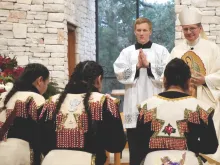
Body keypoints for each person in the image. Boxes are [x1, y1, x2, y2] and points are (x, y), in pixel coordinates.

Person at [39, 61, 126, 165]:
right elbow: (116, 145)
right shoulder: (103, 102)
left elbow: (40, 141)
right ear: (98, 79)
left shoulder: (51, 102)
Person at [137, 58, 218, 165]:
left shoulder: (145, 107)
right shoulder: (201, 109)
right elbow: (211, 147)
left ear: (164, 80)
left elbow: (139, 144)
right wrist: (191, 146)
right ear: (188, 81)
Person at [113, 17, 170, 165]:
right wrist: (137, 67)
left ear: (150, 31)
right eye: (138, 30)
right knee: (135, 154)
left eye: (145, 30)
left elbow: (168, 73)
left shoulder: (161, 51)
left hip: (156, 107)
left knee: (156, 154)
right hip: (134, 107)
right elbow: (119, 73)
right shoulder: (126, 52)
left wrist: (149, 65)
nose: (141, 33)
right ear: (134, 32)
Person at [169, 6, 220, 163]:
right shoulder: (176, 50)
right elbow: (168, 76)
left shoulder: (212, 48)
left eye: (192, 28)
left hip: (206, 101)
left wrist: (205, 80)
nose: (189, 32)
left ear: (200, 28)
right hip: (181, 104)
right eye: (185, 29)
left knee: (206, 143)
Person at [0, 63, 50, 165]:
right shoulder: (35, 98)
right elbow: (43, 131)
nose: (46, 87)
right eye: (47, 83)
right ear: (40, 80)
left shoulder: (4, 96)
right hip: (21, 155)